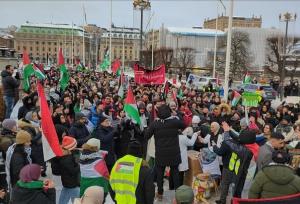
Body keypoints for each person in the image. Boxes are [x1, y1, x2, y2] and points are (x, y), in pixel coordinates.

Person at [145, 104, 185, 201]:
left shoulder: (155, 124)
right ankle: (177, 194)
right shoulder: (175, 122)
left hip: (160, 153)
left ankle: (160, 193)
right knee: (175, 173)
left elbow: (146, 136)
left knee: (160, 174)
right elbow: (184, 124)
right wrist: (176, 115)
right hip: (173, 153)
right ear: (169, 112)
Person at [58, 136, 80, 204]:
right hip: (71, 183)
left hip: (67, 182)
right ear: (70, 149)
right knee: (76, 199)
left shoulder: (66, 156)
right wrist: (79, 165)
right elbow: (73, 171)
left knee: (65, 197)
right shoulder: (67, 160)